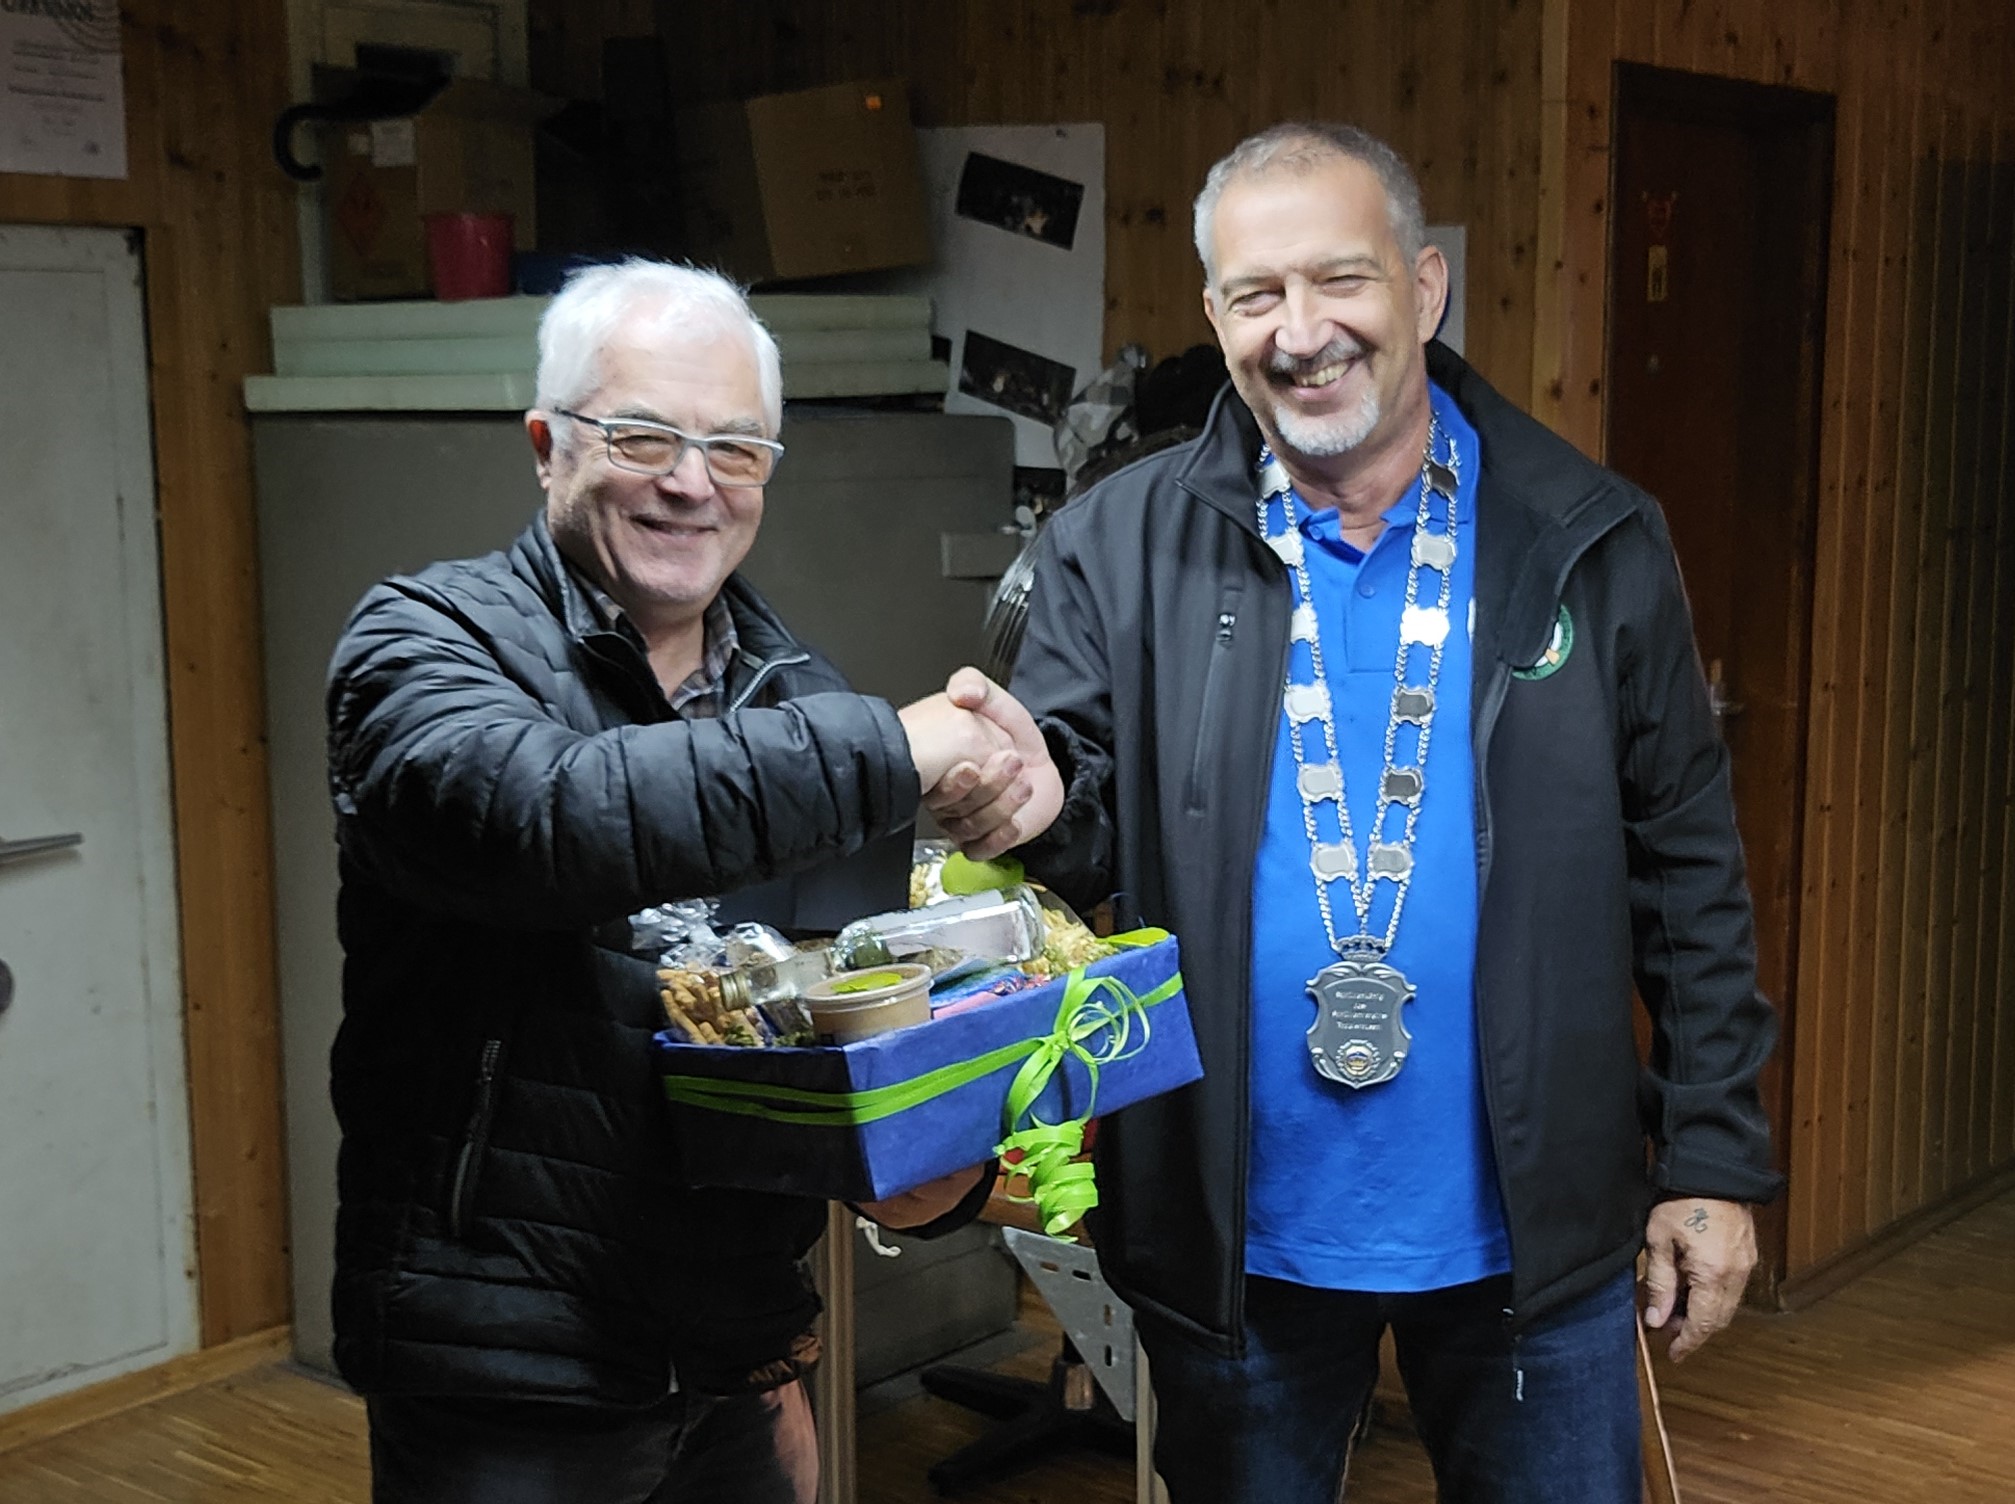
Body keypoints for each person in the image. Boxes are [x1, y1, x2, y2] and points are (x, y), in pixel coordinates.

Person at [1006, 124, 1782, 1502]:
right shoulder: (1110, 546)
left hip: (1533, 1239)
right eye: (1255, 294)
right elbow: (1073, 848)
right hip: (1233, 1236)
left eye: (1338, 279)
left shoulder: (1586, 537)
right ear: (1214, 319)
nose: (1299, 331)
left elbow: (1686, 871)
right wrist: (1004, 798)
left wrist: (1710, 1155)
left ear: (1422, 290)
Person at [324, 258, 1060, 1504]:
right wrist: (892, 749)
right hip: (506, 1375)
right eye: (643, 436)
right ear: (548, 445)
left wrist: (926, 1184)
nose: (689, 480)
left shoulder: (798, 699)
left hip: (730, 1365)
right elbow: (553, 818)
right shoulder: (423, 645)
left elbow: (832, 1015)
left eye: (734, 447)